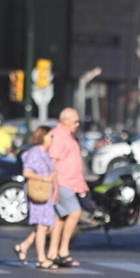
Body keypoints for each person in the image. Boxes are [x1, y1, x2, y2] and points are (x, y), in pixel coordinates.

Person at [48, 107, 87, 267]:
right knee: (75, 213)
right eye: (75, 121)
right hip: (62, 182)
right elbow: (52, 162)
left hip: (71, 182)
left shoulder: (68, 136)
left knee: (60, 219)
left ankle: (53, 252)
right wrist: (55, 186)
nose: (77, 124)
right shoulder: (58, 136)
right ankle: (63, 250)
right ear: (65, 121)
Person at [16, 125, 59, 269]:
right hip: (38, 191)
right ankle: (41, 258)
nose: (53, 139)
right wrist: (43, 178)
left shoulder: (45, 153)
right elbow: (27, 172)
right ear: (43, 137)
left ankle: (24, 245)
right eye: (50, 136)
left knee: (47, 225)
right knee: (42, 226)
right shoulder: (36, 153)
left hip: (46, 192)